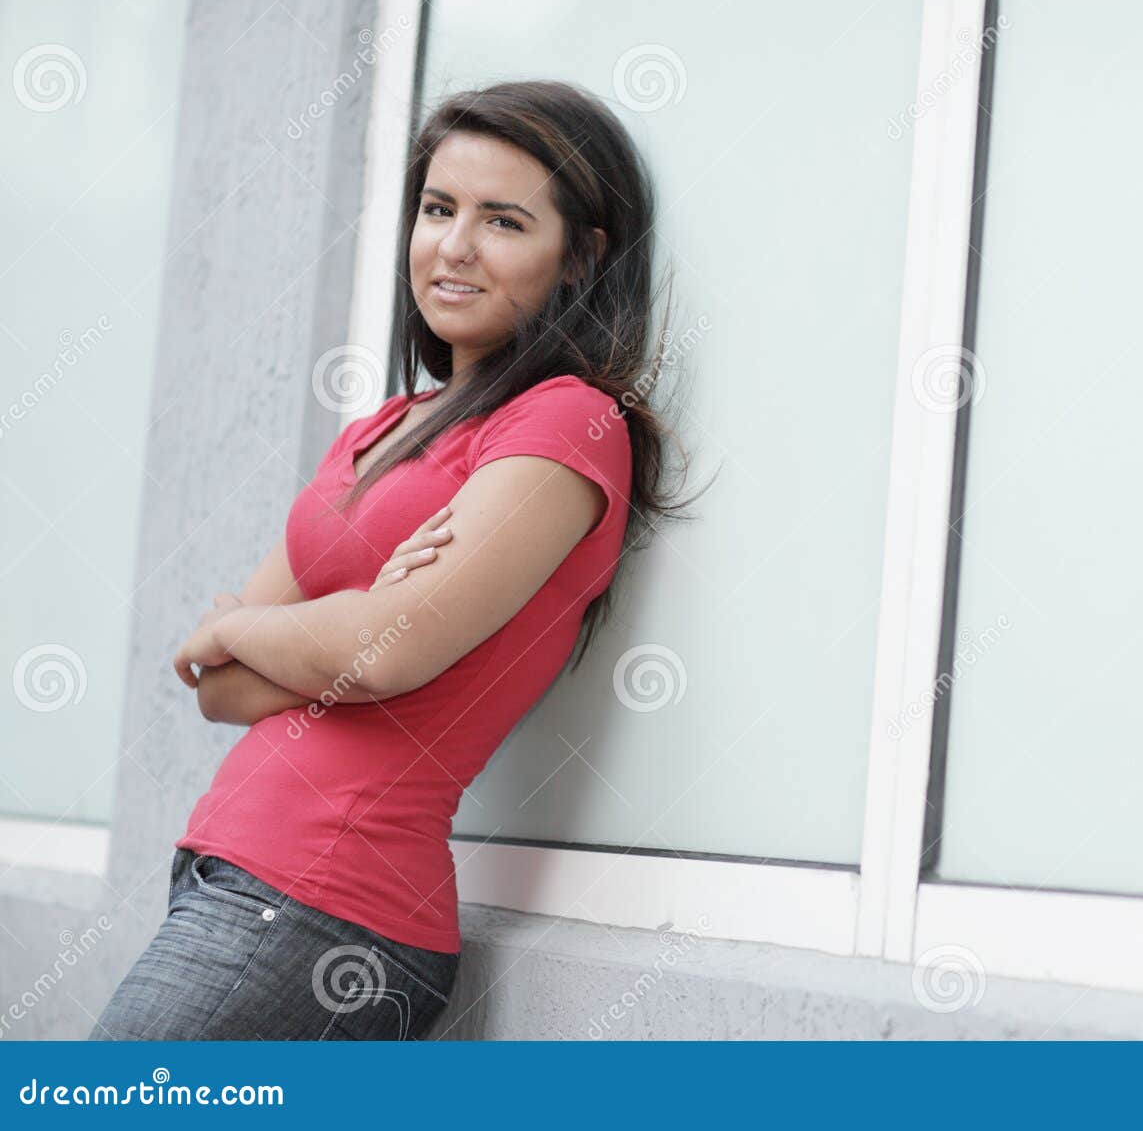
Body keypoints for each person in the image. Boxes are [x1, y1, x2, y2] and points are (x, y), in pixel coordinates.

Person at [94, 80, 701, 1040]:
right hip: (229, 871)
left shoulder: (569, 421)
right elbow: (219, 688)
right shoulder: (384, 429)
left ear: (582, 257)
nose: (454, 246)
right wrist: (321, 632)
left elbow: (381, 654)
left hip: (323, 900)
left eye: (503, 221)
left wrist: (249, 624)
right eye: (437, 208)